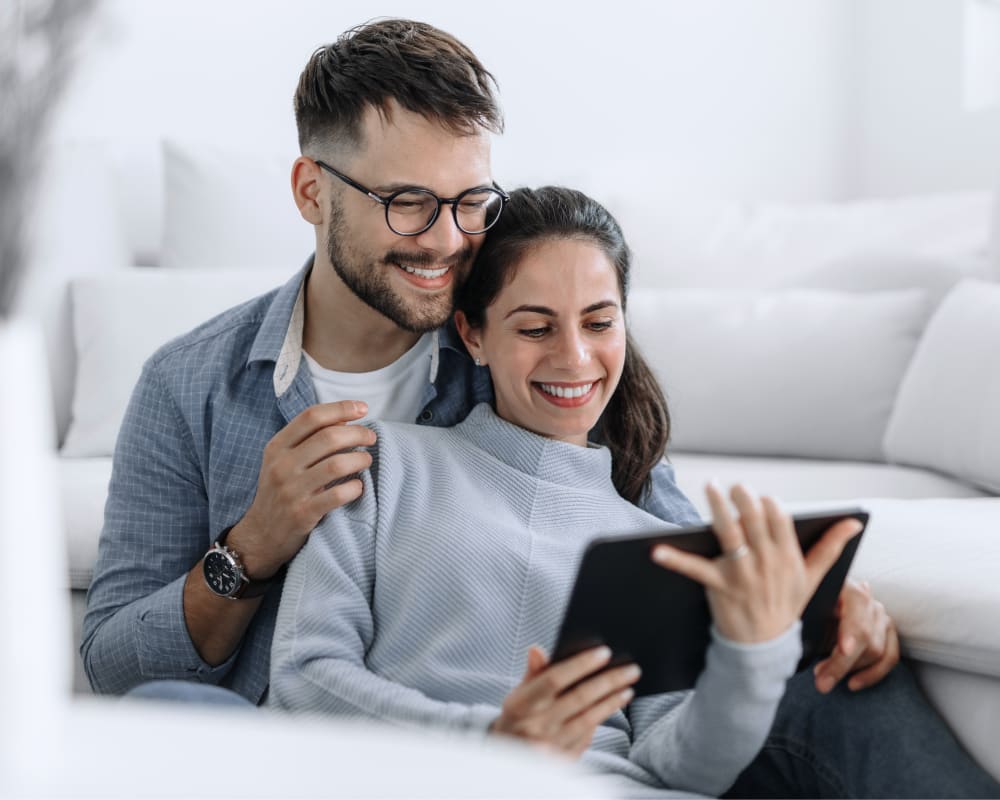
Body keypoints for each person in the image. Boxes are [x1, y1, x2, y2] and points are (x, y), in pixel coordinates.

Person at [77, 18, 961, 793]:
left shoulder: (522, 355)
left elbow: (669, 560)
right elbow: (116, 662)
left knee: (838, 681)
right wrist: (253, 546)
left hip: (574, 758)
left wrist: (820, 610)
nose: (449, 238)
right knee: (166, 713)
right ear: (313, 192)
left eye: (470, 201)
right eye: (408, 203)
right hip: (317, 752)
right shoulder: (191, 384)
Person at [269, 186, 1000, 799]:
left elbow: (677, 766)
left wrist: (757, 647)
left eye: (598, 322)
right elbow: (304, 678)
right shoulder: (382, 465)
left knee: (855, 681)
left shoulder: (641, 533)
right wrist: (495, 740)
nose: (574, 358)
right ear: (473, 333)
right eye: (535, 327)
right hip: (430, 781)